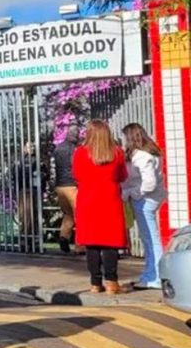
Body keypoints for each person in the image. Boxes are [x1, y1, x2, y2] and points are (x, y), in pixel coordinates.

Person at [73, 119, 128, 294]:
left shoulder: (80, 153)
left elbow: (76, 174)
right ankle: (112, 282)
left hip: (88, 200)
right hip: (110, 200)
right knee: (110, 243)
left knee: (92, 244)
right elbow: (123, 176)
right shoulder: (117, 153)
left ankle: (95, 283)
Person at [121, 123, 167, 290]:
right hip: (149, 198)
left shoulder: (142, 156)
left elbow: (149, 183)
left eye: (126, 137)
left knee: (150, 239)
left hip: (145, 200)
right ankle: (150, 273)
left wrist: (131, 193)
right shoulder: (151, 152)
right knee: (148, 238)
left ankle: (154, 276)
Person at [53, 128, 81, 253]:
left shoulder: (58, 148)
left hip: (60, 186)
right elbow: (75, 166)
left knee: (68, 214)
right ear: (75, 136)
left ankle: (64, 237)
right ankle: (80, 245)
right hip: (72, 185)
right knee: (79, 215)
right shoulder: (74, 149)